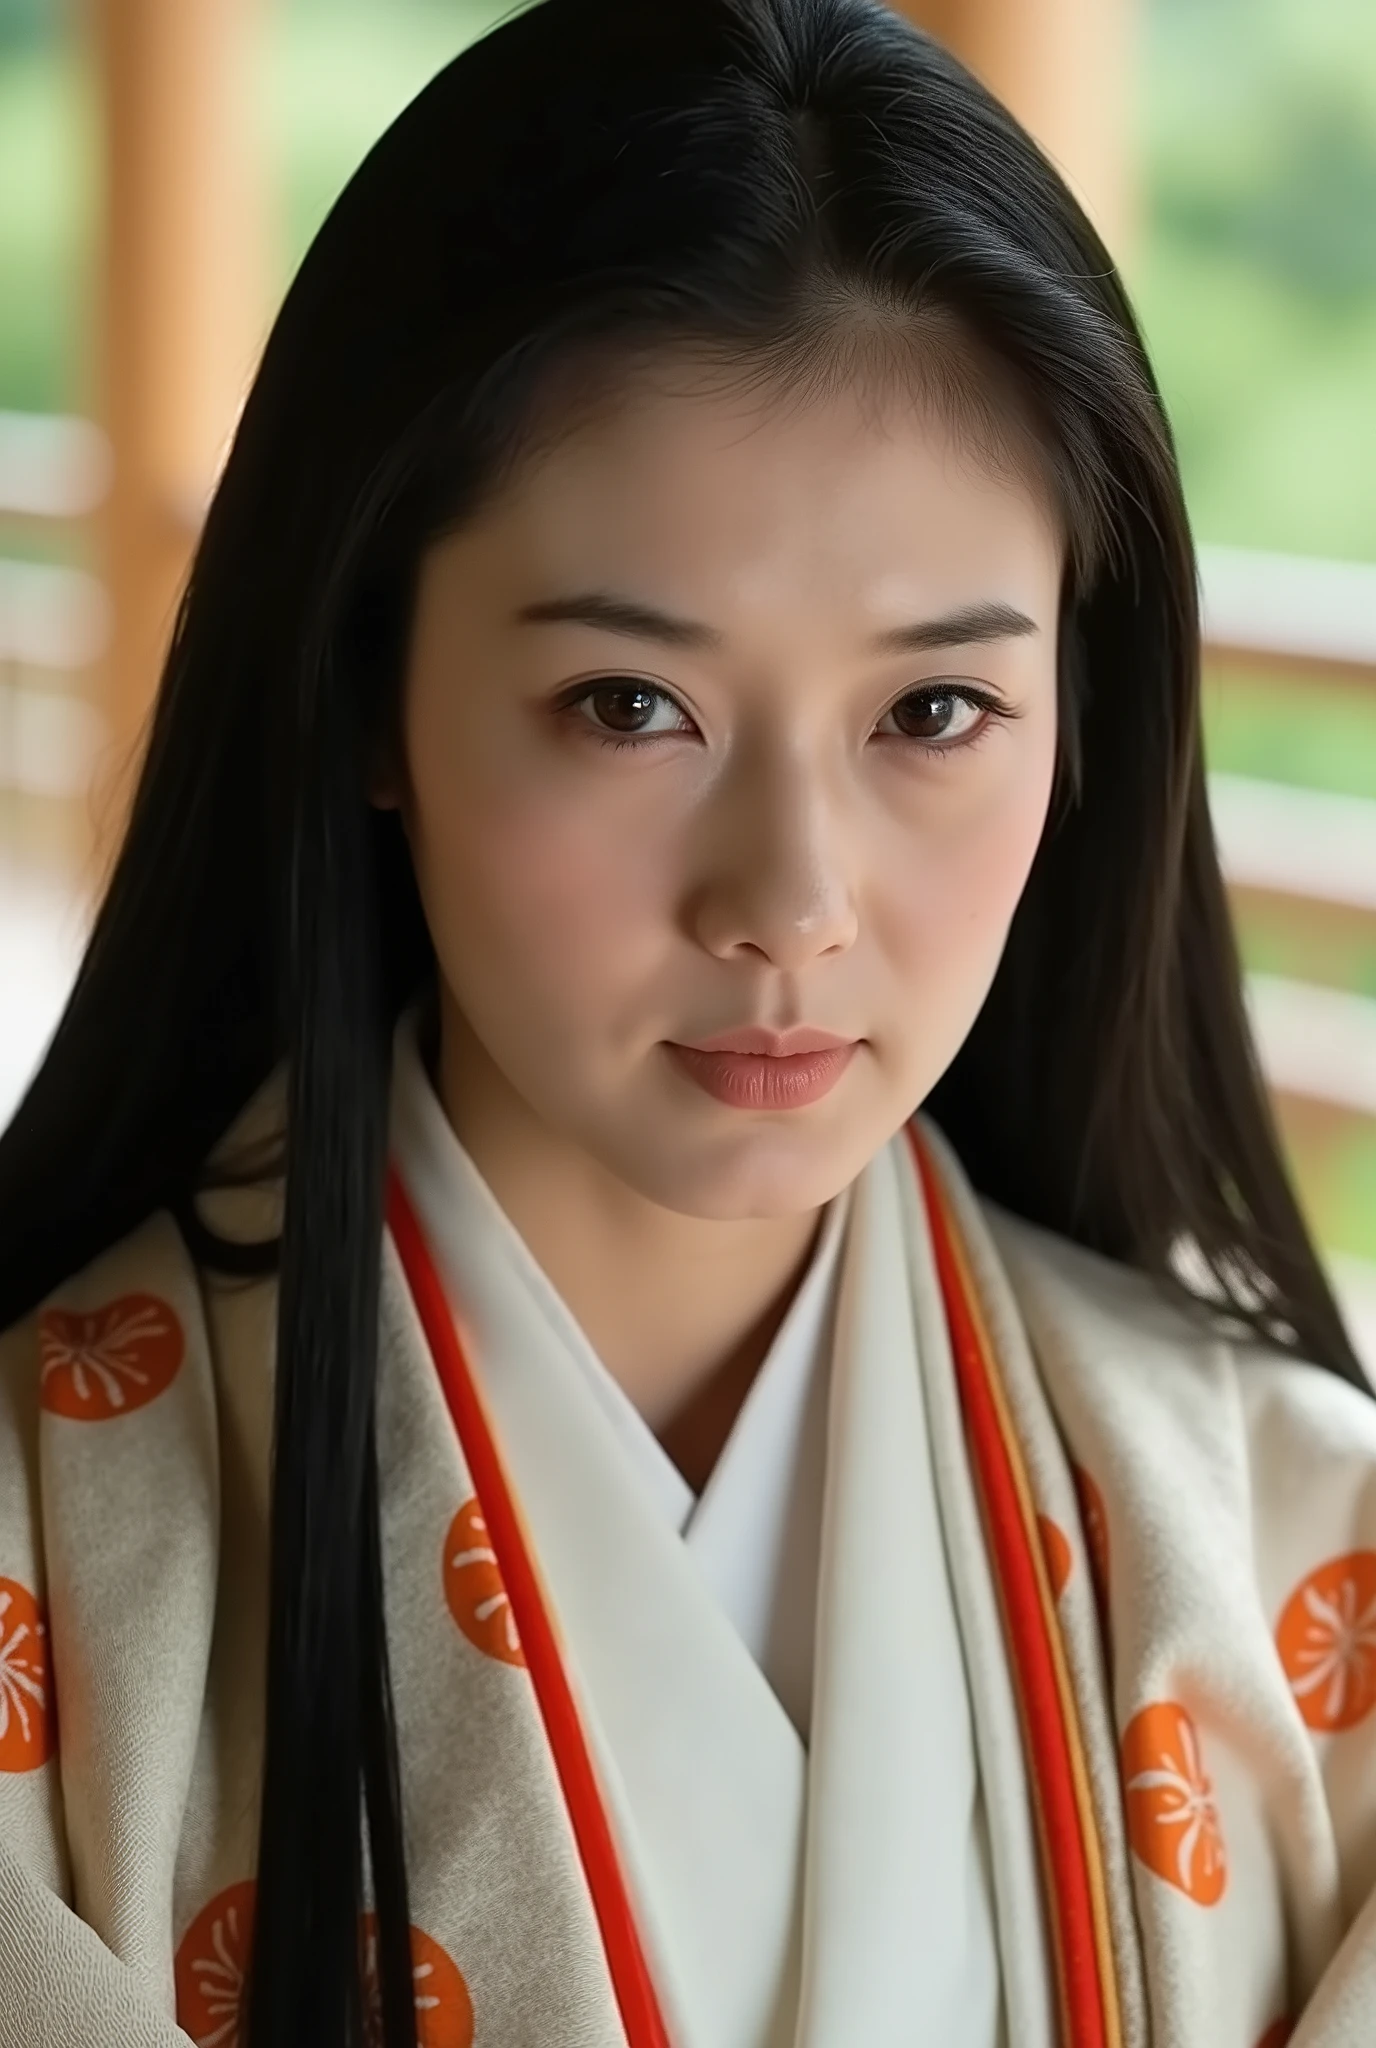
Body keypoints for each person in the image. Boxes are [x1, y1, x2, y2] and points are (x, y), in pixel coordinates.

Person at [1, 0, 1373, 2042]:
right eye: (628, 705)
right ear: (376, 692)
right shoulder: (43, 1563)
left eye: (935, 711)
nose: (792, 902)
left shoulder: (1296, 1550)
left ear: (1082, 720)